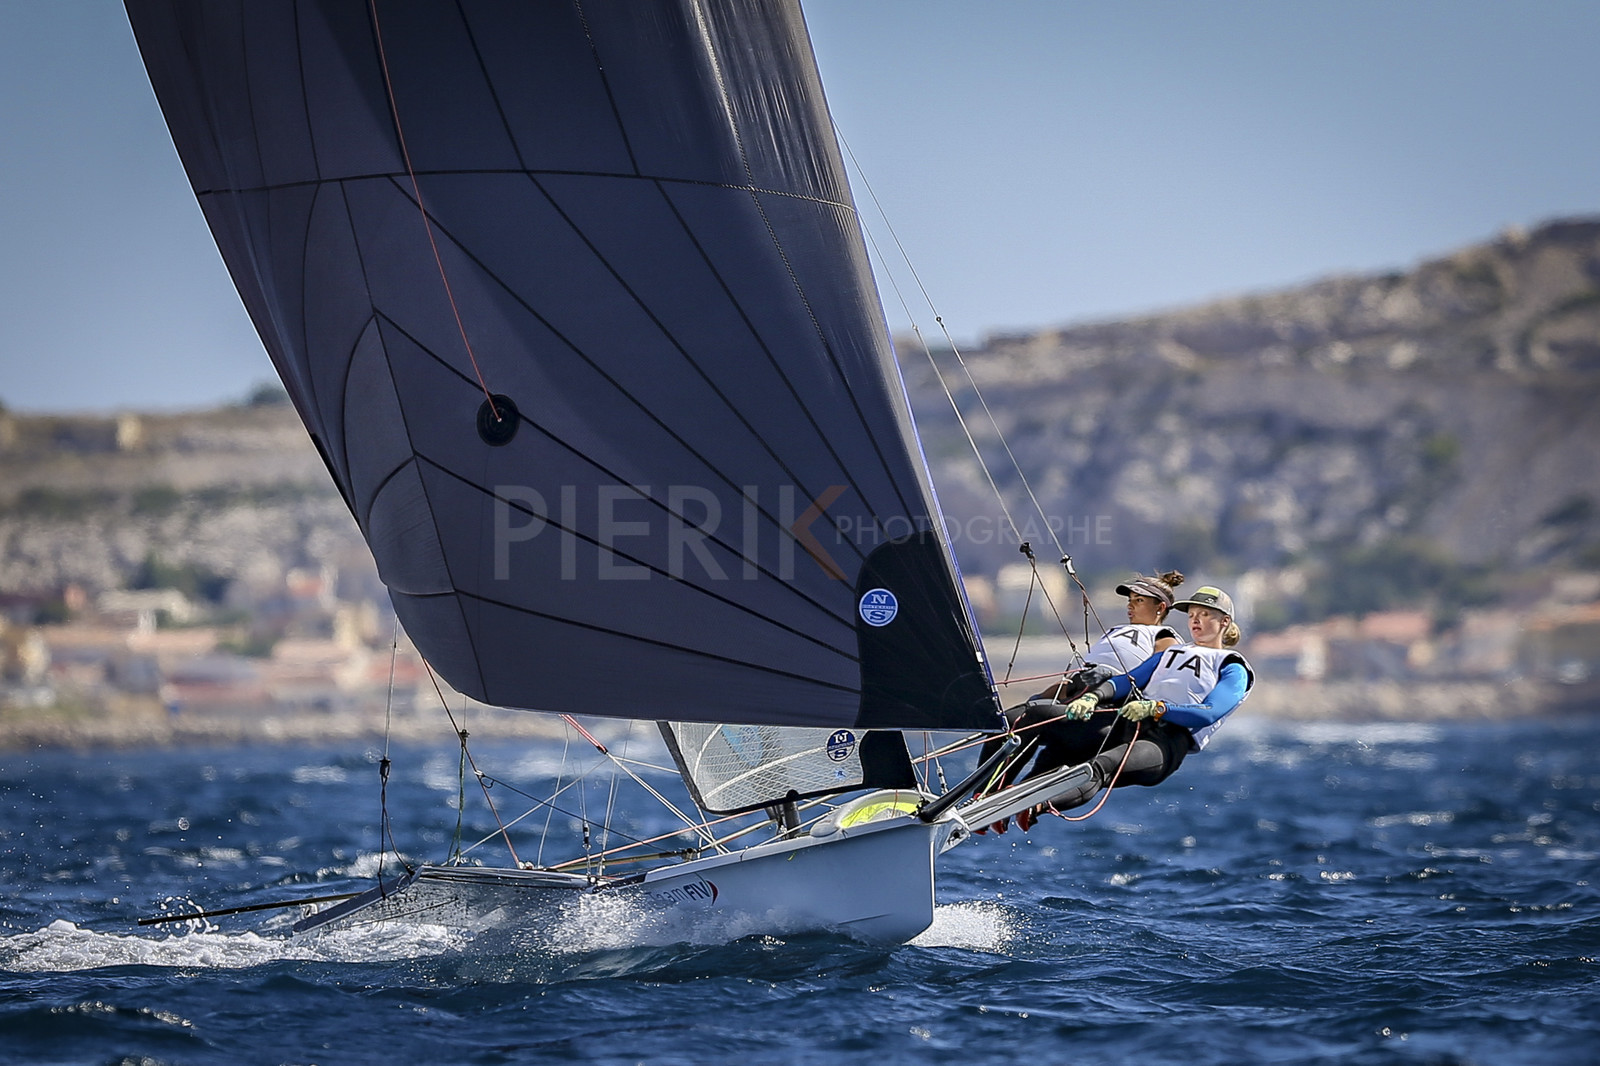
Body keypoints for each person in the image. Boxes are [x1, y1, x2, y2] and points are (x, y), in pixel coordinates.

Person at [981, 584, 1255, 831]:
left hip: (1166, 744)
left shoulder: (1232, 666)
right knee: (1034, 716)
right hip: (1125, 724)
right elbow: (1128, 680)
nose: (1196, 620)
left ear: (1225, 622)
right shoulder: (1173, 653)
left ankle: (1033, 806)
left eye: (1205, 615)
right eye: (1192, 614)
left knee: (1097, 768)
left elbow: (1209, 712)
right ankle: (986, 792)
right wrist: (1094, 696)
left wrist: (1158, 708)